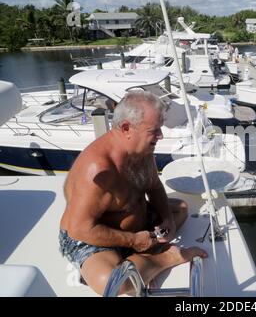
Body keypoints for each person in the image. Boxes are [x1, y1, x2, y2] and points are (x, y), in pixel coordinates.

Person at [59, 90, 207, 295]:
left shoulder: (143, 151)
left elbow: (154, 186)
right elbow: (80, 230)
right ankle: (166, 257)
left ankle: (145, 258)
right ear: (127, 128)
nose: (161, 136)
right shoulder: (97, 168)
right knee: (114, 282)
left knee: (180, 209)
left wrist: (166, 219)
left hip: (139, 230)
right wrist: (133, 240)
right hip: (94, 237)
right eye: (154, 131)